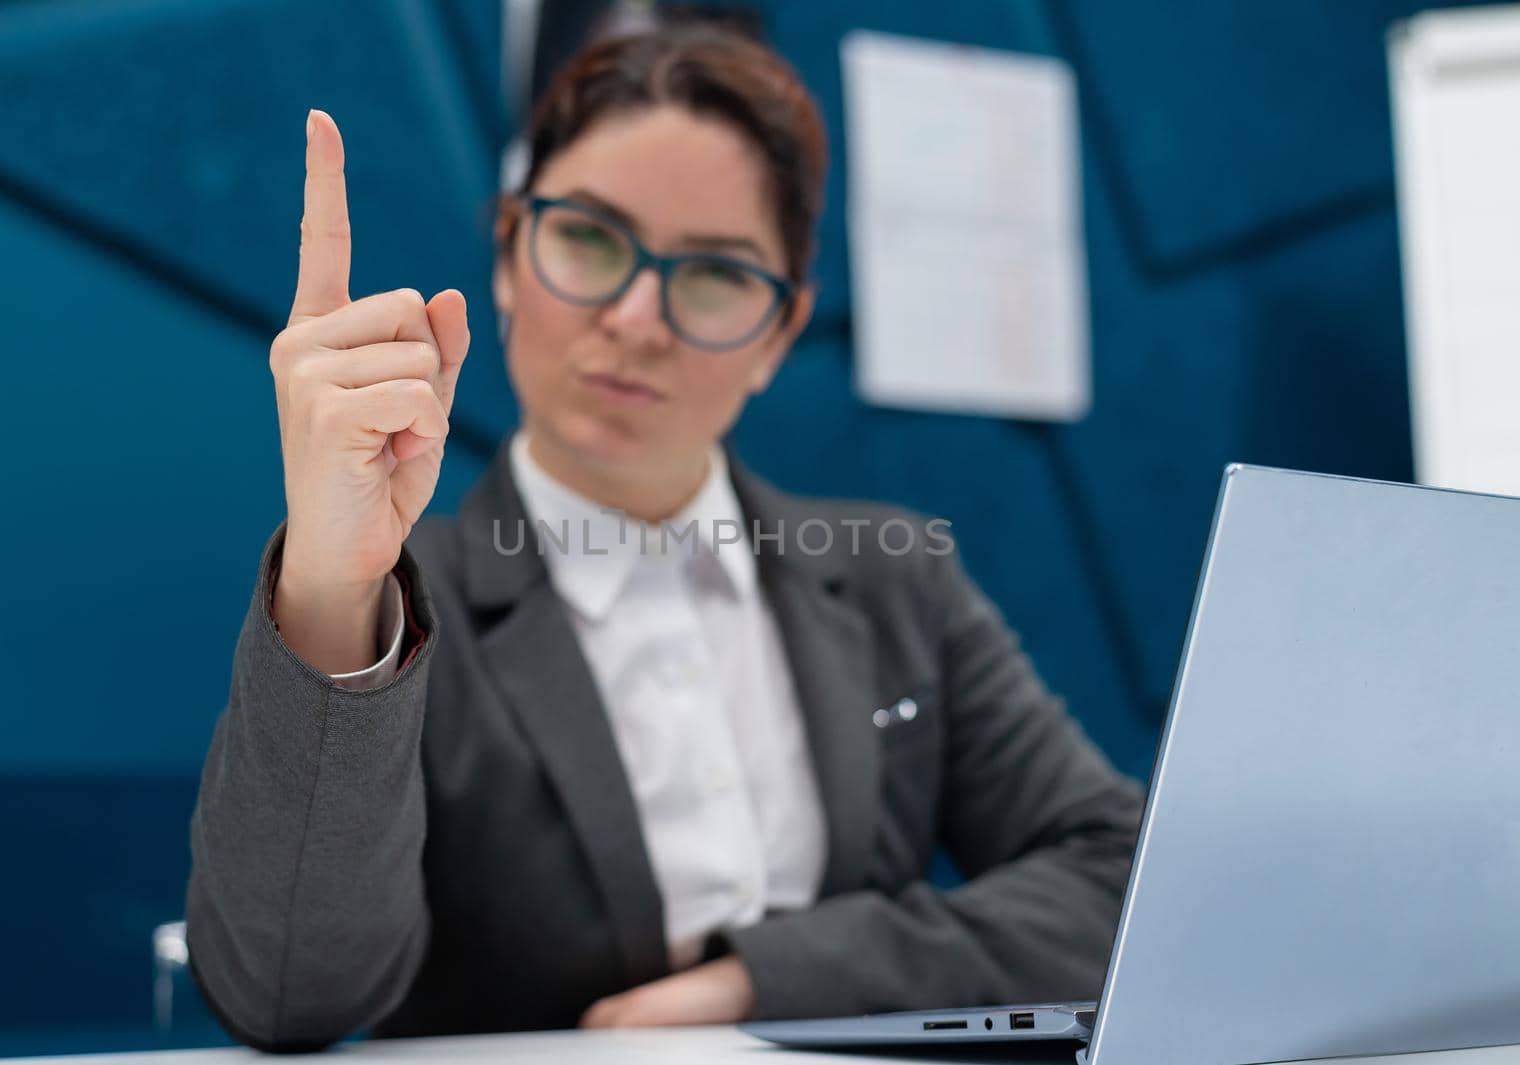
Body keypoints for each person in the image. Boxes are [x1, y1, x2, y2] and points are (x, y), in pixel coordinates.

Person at [186, 21, 1142, 1054]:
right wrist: (333, 583)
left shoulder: (891, 575)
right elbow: (286, 1000)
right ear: (508, 255)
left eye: (716, 275)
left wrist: (760, 984)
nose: (639, 317)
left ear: (779, 333)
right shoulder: (407, 611)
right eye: (589, 238)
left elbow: (1119, 878)